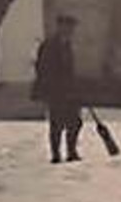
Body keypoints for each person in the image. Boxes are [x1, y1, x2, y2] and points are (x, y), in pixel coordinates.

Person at [33, 15, 83, 164]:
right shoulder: (49, 45)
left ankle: (71, 151)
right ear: (60, 27)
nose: (71, 31)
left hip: (69, 91)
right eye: (68, 27)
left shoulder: (67, 45)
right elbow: (43, 69)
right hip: (55, 91)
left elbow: (69, 70)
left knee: (75, 122)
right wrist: (52, 88)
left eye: (72, 28)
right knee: (57, 123)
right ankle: (56, 154)